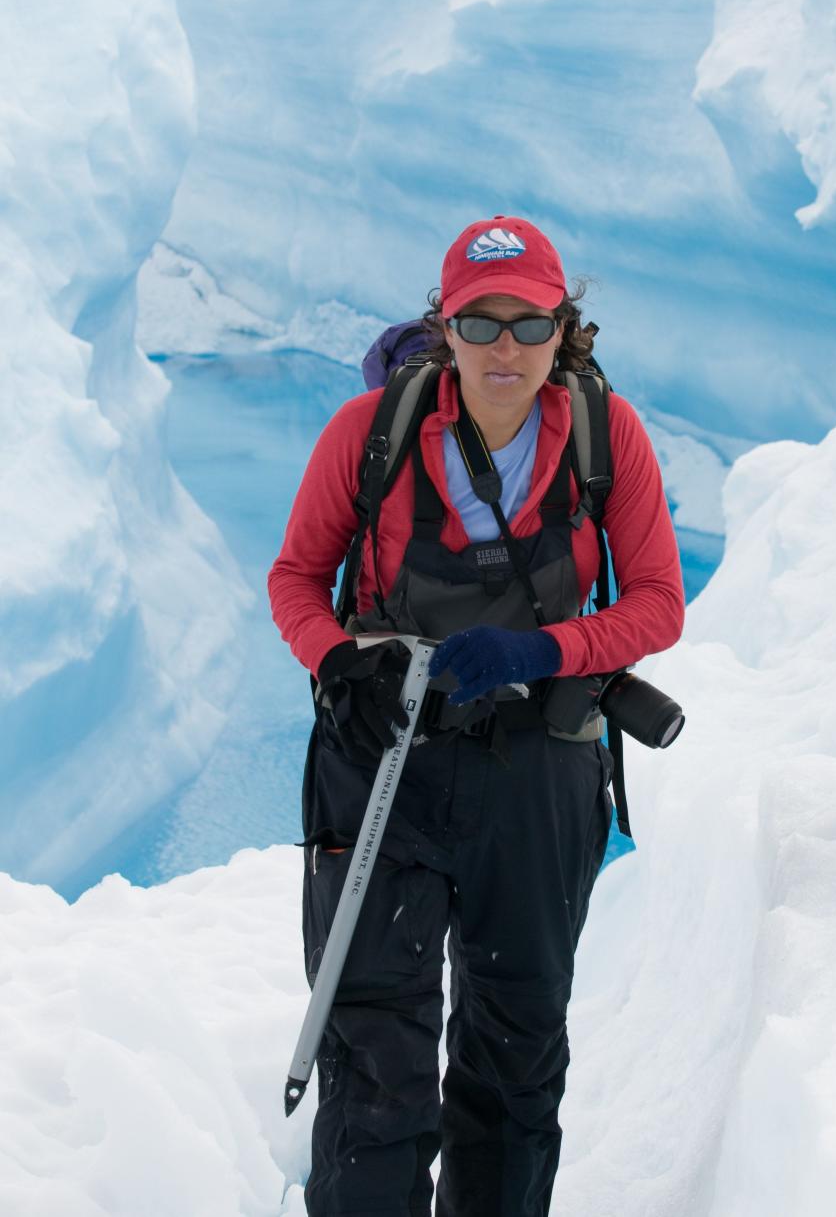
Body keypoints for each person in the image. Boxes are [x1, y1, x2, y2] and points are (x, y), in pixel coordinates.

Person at [268, 215, 685, 1217]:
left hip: (537, 769)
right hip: (383, 762)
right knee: (375, 1051)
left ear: (563, 327)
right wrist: (339, 663)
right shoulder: (370, 432)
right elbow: (295, 579)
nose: (506, 346)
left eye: (529, 322)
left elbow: (656, 603)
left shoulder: (603, 435)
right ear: (445, 327)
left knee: (515, 1044)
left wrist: (541, 649)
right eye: (480, 321)